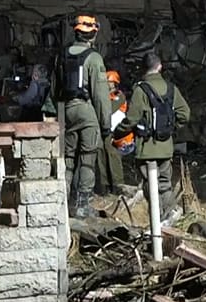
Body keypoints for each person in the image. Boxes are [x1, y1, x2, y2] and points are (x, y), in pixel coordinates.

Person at [116, 52, 190, 223]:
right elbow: (185, 114)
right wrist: (171, 129)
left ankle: (156, 222)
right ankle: (168, 217)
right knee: (165, 184)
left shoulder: (140, 90)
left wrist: (118, 132)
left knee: (151, 186)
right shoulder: (171, 88)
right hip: (165, 146)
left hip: (146, 147)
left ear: (143, 68)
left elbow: (132, 118)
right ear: (160, 66)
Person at [59, 15, 113, 218]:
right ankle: (82, 205)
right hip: (86, 110)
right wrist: (105, 124)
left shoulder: (61, 55)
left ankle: (61, 204)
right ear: (93, 34)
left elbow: (55, 88)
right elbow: (100, 95)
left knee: (68, 159)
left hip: (66, 110)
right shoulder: (94, 57)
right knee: (88, 159)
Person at [95, 70, 126, 194]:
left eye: (109, 82)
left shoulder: (119, 96)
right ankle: (104, 186)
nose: (107, 85)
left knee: (113, 158)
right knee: (101, 156)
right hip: (104, 130)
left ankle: (117, 185)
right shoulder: (104, 96)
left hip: (114, 132)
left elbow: (109, 109)